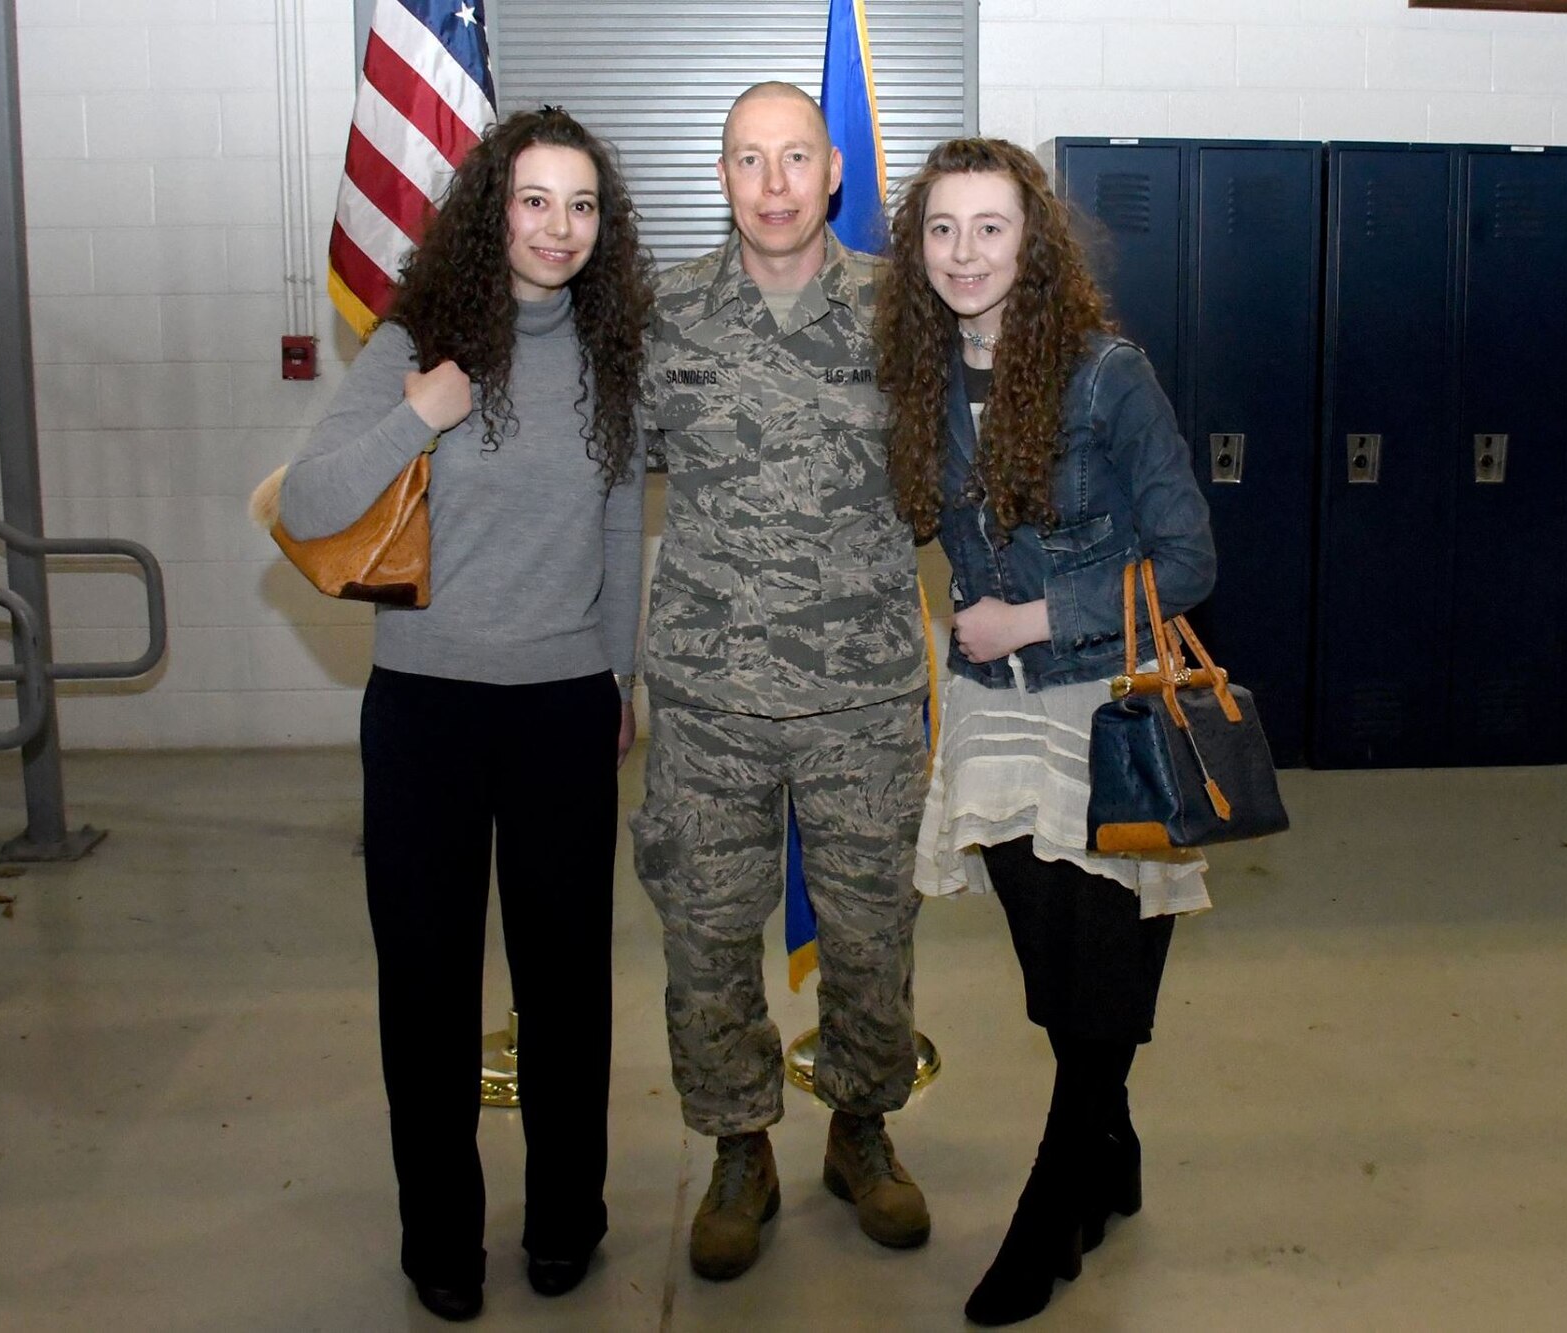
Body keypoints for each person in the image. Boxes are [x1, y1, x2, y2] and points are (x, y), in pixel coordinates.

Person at [278, 108, 651, 1323]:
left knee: (565, 988)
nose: (558, 227)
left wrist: (613, 681)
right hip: (426, 712)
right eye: (535, 200)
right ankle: (439, 1239)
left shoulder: (610, 354)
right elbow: (313, 498)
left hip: (558, 713)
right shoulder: (415, 340)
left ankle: (564, 1219)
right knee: (426, 989)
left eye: (581, 205)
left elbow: (611, 529)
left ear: (604, 225)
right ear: (494, 210)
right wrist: (421, 411)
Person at [877, 137, 1217, 1326]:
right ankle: (1108, 1154)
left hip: (1105, 709)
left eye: (990, 228)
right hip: (990, 719)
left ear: (1034, 245)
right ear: (916, 245)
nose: (964, 253)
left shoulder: (1101, 374)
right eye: (941, 229)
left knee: (1096, 985)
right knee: (1056, 981)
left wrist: (1033, 609)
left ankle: (1045, 1218)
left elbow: (1187, 557)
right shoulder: (917, 380)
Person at [631, 81, 932, 1283]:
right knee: (705, 939)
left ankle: (860, 1129)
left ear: (833, 174)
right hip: (708, 701)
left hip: (861, 698)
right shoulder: (662, 319)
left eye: (794, 158)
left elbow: (944, 476)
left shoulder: (897, 315)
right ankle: (739, 1145)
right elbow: (602, 486)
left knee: (870, 936)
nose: (772, 185)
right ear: (720, 177)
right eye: (748, 161)